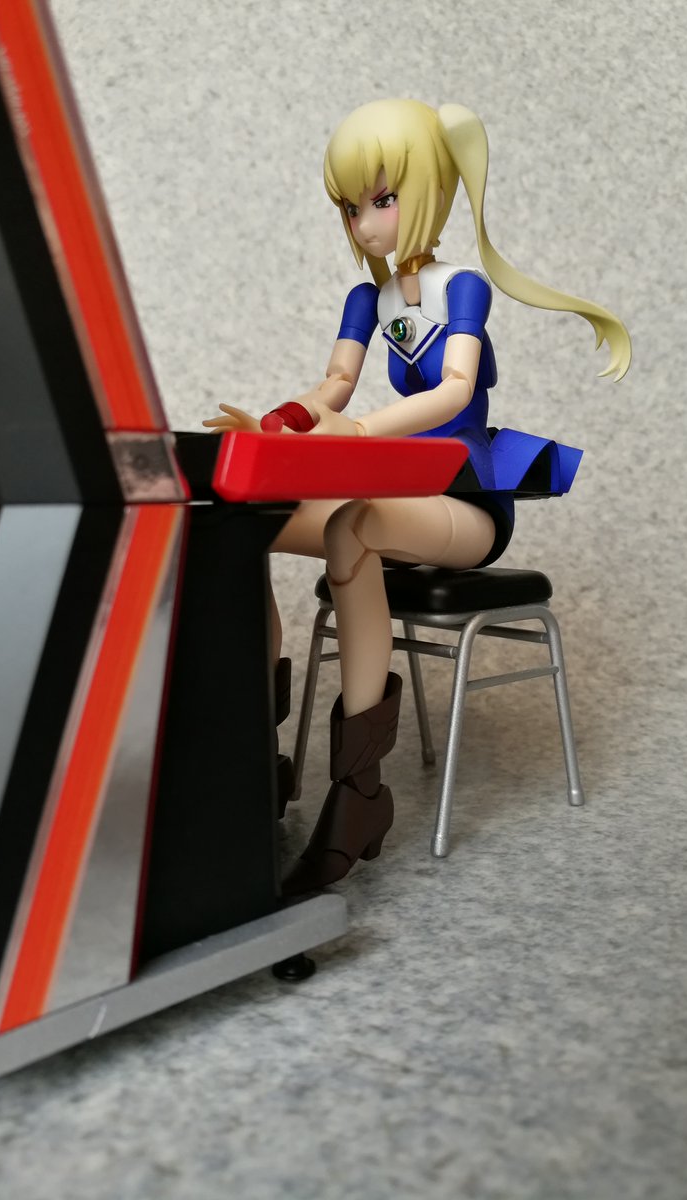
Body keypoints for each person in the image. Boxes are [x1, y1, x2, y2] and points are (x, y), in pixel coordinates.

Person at [204, 99, 631, 894]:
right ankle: (255, 758)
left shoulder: (462, 289)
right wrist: (280, 425)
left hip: (463, 503)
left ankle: (360, 794)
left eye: (381, 200)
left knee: (351, 528)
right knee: (246, 523)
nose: (364, 224)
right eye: (351, 207)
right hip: (395, 490)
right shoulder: (367, 300)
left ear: (427, 189)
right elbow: (333, 384)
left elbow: (455, 390)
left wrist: (361, 434)